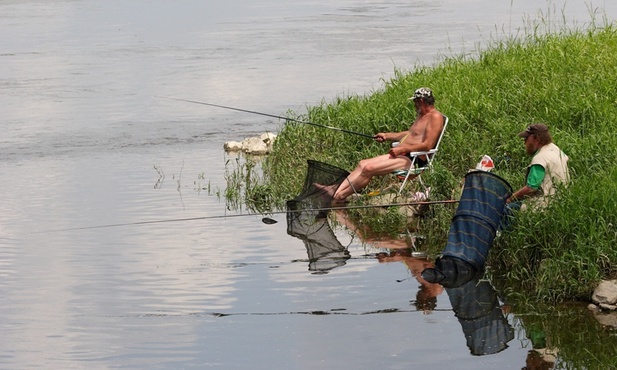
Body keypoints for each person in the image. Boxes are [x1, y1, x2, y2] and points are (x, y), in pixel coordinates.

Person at [326, 87, 445, 202]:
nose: (414, 105)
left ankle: (339, 196)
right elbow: (410, 134)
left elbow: (427, 145)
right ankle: (335, 192)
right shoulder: (421, 115)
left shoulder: (435, 117)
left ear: (421, 101)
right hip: (404, 155)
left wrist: (402, 148)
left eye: (415, 101)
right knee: (362, 164)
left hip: (415, 160)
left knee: (369, 169)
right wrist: (386, 136)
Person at [506, 124, 569, 209]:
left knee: (506, 210)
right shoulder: (556, 149)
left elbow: (531, 188)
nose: (524, 142)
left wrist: (511, 198)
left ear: (537, 139)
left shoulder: (540, 159)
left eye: (526, 138)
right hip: (563, 200)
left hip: (545, 205)